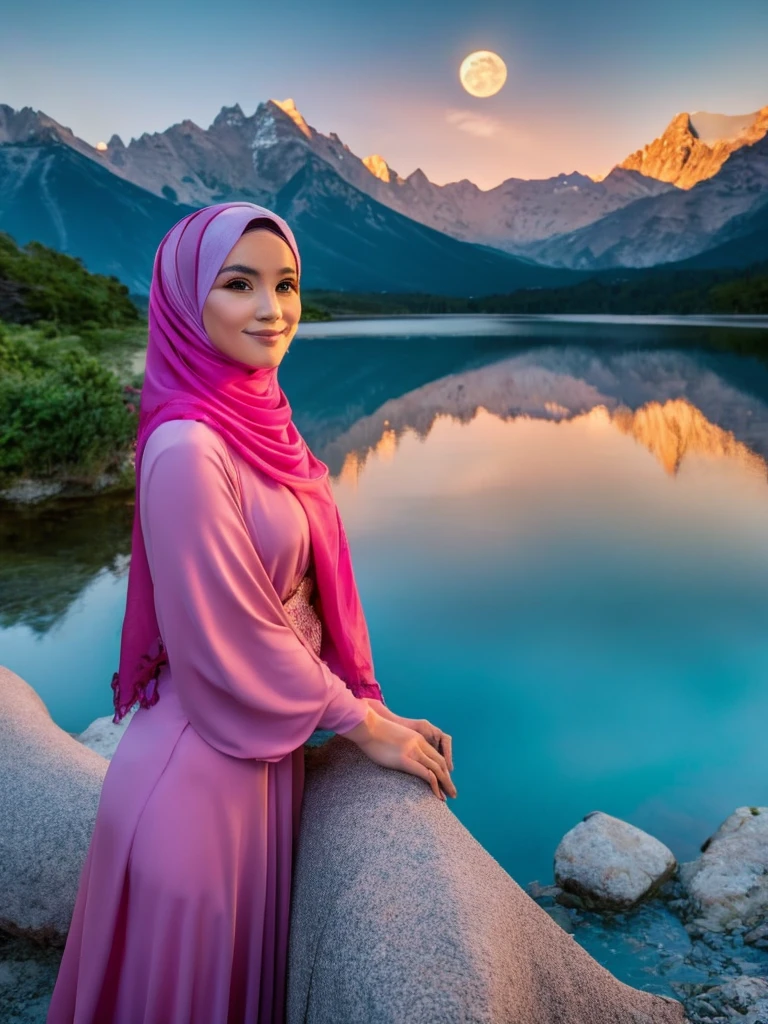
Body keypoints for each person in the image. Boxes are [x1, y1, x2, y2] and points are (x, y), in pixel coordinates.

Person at [45, 202, 457, 1024]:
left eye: (287, 284)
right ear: (186, 299)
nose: (273, 309)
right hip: (197, 783)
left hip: (254, 761)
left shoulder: (262, 423)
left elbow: (299, 597)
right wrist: (363, 726)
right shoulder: (188, 450)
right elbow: (229, 632)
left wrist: (368, 705)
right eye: (239, 284)